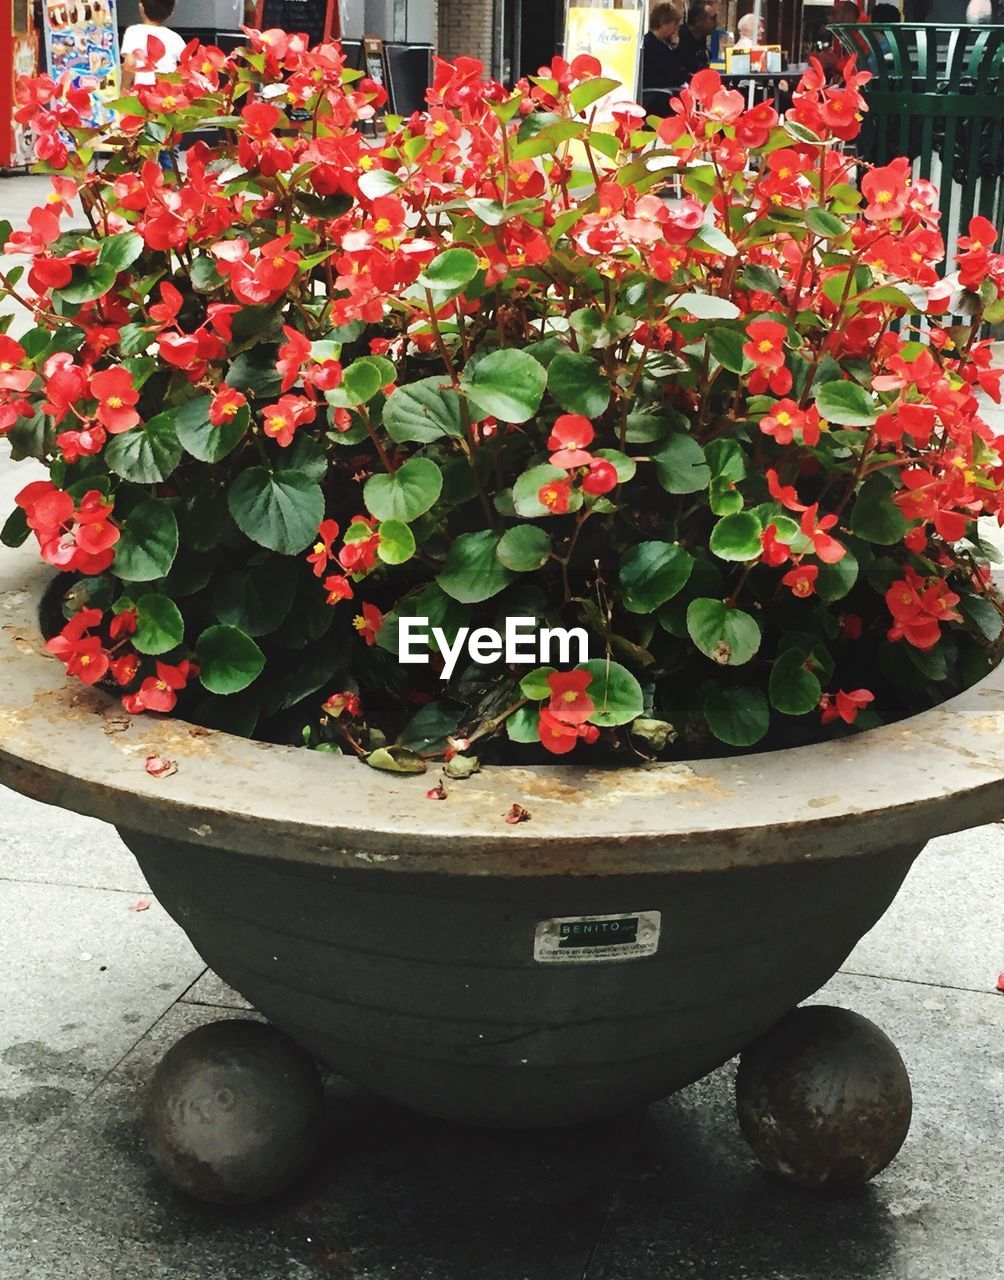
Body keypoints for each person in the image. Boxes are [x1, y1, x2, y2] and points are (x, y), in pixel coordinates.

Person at [120, 0, 186, 91]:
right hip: (167, 96)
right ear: (171, 12)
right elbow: (189, 66)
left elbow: (130, 63)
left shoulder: (134, 31)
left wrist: (124, 90)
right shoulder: (175, 38)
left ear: (141, 7)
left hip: (141, 94)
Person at [643, 3, 684, 102]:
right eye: (675, 24)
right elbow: (675, 75)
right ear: (663, 23)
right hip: (658, 97)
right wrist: (675, 48)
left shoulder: (647, 41)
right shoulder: (658, 48)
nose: (676, 29)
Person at [676, 1, 718, 78]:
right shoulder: (679, 39)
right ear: (699, 21)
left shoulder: (701, 39)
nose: (716, 23)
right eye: (713, 19)